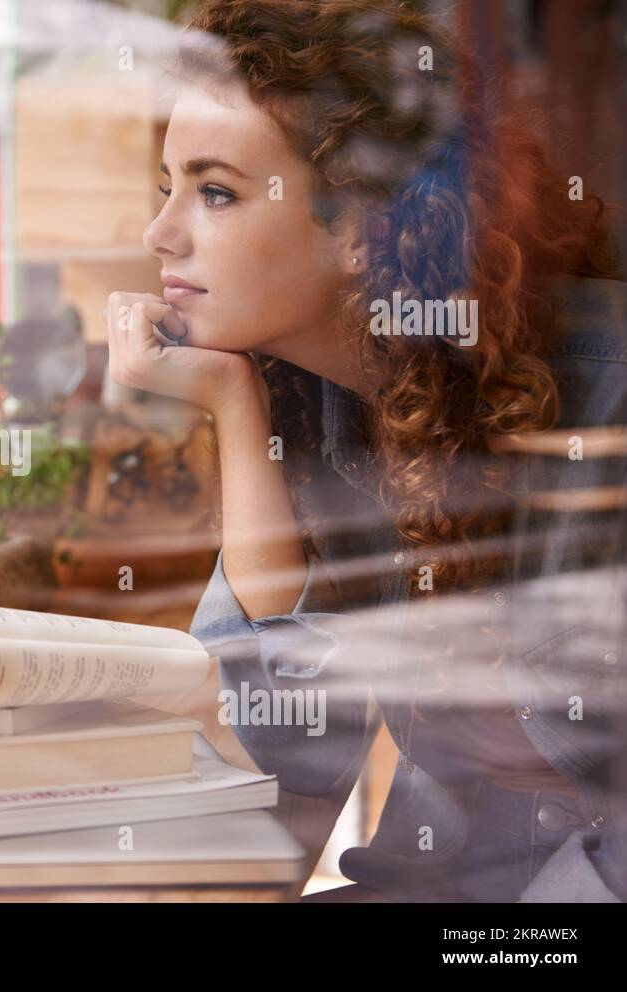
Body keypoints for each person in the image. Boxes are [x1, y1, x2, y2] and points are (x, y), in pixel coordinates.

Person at [105, 0, 627, 902]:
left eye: (216, 191)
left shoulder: (605, 402)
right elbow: (285, 744)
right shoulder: (316, 402)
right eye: (168, 187)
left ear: (355, 232)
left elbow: (570, 757)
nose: (161, 235)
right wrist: (235, 404)